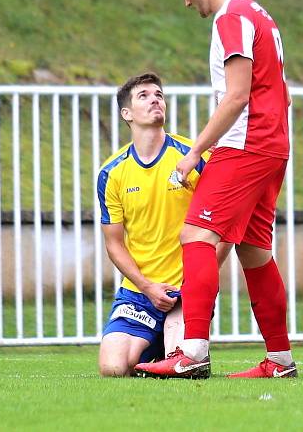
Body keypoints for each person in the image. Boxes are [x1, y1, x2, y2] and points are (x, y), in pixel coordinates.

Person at [135, 0, 294, 379]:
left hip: (246, 145)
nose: (186, 3)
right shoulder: (260, 13)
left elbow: (238, 95)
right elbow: (281, 89)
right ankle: (279, 361)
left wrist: (193, 153)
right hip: (272, 144)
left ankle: (193, 352)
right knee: (255, 251)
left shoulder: (232, 17)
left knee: (196, 234)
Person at [97, 72, 227, 377]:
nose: (155, 99)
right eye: (144, 95)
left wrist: (200, 280)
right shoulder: (112, 173)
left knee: (184, 366)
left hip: (187, 288)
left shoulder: (193, 157)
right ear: (126, 114)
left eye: (159, 94)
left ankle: (170, 344)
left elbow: (224, 227)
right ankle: (153, 349)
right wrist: (146, 286)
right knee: (114, 368)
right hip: (139, 291)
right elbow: (114, 243)